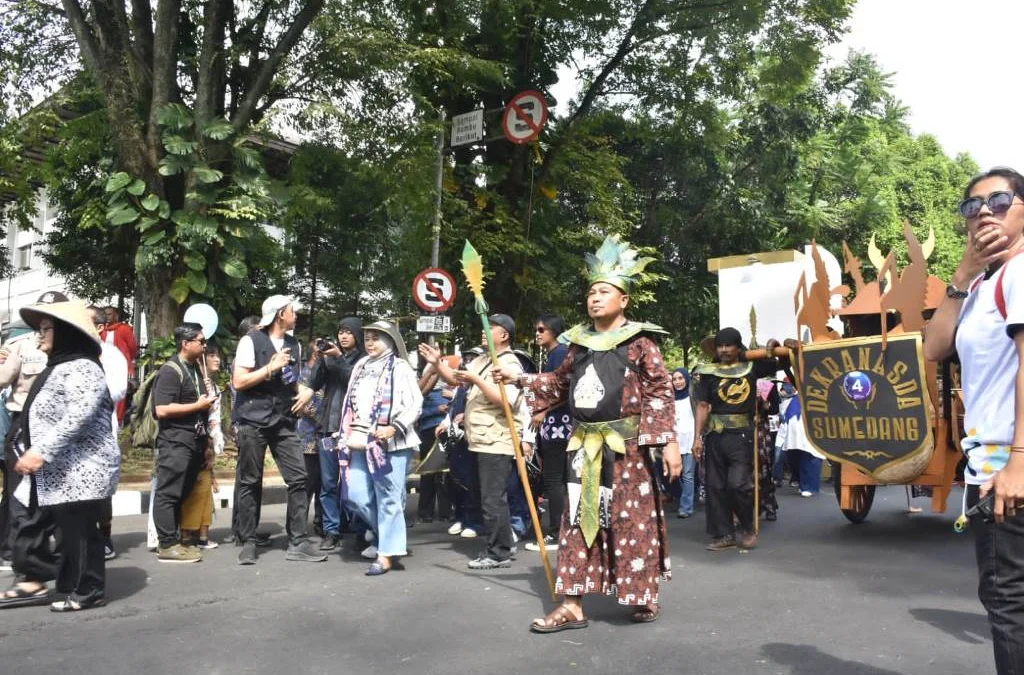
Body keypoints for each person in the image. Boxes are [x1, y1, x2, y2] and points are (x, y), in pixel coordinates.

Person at [496, 234, 682, 631]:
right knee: (580, 521)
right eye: (591, 291)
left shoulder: (640, 343)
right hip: (584, 448)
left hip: (628, 449)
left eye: (604, 291)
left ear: (624, 300)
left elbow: (660, 392)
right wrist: (519, 378)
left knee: (632, 522)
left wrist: (669, 442)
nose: (594, 298)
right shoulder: (578, 345)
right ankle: (572, 604)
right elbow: (559, 385)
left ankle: (642, 593)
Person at [922, 166, 1024, 674]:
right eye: (973, 205)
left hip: (1013, 472)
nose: (984, 211)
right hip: (994, 469)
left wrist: (1019, 462)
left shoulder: (1022, 273)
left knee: (1009, 606)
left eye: (1000, 200)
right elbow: (934, 348)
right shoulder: (986, 284)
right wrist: (961, 275)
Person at [1, 301, 120, 611]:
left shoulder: (82, 366)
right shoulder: (60, 364)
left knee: (81, 531)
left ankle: (89, 591)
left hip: (83, 467)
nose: (38, 335)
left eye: (45, 329)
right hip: (62, 468)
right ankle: (69, 584)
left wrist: (41, 451)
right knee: (67, 529)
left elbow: (78, 415)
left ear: (65, 332)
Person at [420, 314, 526, 570]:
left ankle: (497, 552)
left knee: (492, 498)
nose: (484, 331)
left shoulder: (510, 363)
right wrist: (436, 363)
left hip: (496, 439)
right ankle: (502, 547)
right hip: (478, 438)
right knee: (488, 496)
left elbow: (506, 401)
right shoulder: (482, 359)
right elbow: (457, 380)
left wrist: (478, 380)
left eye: (492, 328)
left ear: (504, 335)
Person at [232, 295, 326, 565]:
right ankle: (248, 540)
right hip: (253, 420)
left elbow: (291, 381)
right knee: (251, 481)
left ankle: (297, 540)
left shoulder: (294, 344)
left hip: (284, 420)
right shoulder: (250, 340)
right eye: (291, 310)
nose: (295, 314)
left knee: (299, 478)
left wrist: (304, 392)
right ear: (279, 314)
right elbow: (239, 381)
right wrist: (269, 368)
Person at [338, 320, 422, 575]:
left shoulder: (400, 367)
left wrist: (393, 428)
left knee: (388, 499)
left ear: (390, 341)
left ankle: (386, 553)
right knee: (356, 495)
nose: (370, 342)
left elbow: (415, 403)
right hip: (362, 441)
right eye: (367, 337)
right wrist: (344, 431)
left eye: (376, 337)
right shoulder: (361, 366)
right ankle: (389, 537)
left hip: (393, 443)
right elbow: (348, 404)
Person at [692, 327, 782, 552]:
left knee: (738, 484)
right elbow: (702, 406)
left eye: (728, 345)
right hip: (714, 436)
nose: (723, 350)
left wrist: (775, 344)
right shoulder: (708, 372)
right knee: (716, 486)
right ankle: (724, 535)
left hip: (741, 436)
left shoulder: (751, 367)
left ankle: (748, 527)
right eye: (720, 346)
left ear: (738, 346)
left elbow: (778, 358)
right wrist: (697, 438)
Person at [151, 323, 217, 563]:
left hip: (195, 441)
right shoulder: (171, 371)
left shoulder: (196, 369)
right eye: (200, 341)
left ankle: (177, 539)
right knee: (168, 492)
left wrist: (207, 442)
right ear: (185, 343)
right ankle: (167, 544)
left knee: (182, 491)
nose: (204, 345)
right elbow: (162, 409)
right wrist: (197, 406)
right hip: (175, 441)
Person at [307, 317, 366, 551]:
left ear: (357, 336)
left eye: (348, 333)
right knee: (329, 483)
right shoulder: (330, 357)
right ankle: (331, 530)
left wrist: (337, 358)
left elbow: (353, 380)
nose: (343, 336)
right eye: (340, 332)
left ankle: (361, 528)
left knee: (356, 481)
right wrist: (323, 358)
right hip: (328, 427)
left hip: (354, 429)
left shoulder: (364, 360)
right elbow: (313, 382)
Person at [0, 318, 48, 570]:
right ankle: (15, 552)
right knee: (18, 493)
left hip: (52, 427)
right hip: (22, 426)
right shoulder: (20, 347)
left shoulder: (72, 350)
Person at [526, 314, 570, 552]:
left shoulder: (561, 354)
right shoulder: (553, 355)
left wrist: (544, 411)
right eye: (536, 329)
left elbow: (565, 389)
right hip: (555, 425)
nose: (538, 333)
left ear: (554, 331)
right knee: (558, 480)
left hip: (560, 426)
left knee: (555, 479)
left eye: (542, 329)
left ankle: (556, 532)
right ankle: (561, 529)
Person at [91, 305, 129, 560]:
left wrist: (85, 396)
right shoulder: (66, 353)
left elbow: (118, 391)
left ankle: (104, 536)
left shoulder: (112, 356)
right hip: (68, 437)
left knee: (100, 488)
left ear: (100, 328)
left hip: (101, 432)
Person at [180, 342, 226, 550]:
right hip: (193, 441)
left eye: (218, 356)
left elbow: (215, 419)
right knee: (192, 489)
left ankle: (201, 534)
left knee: (205, 489)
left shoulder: (213, 386)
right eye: (212, 355)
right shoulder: (194, 383)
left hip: (207, 442)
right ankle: (186, 534)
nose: (217, 359)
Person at [101, 305, 138, 424]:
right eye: (105, 314)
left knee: (120, 392)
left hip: (121, 365)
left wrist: (128, 360)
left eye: (110, 314)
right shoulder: (102, 330)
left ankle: (119, 419)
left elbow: (133, 347)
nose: (107, 316)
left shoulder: (124, 329)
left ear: (116, 315)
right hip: (105, 366)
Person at [673, 368, 697, 518]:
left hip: (690, 439)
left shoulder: (693, 396)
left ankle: (686, 507)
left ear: (687, 379)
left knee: (688, 475)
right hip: (674, 441)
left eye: (681, 378)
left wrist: (698, 438)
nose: (677, 382)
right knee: (672, 473)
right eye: (674, 379)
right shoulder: (669, 398)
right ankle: (682, 496)